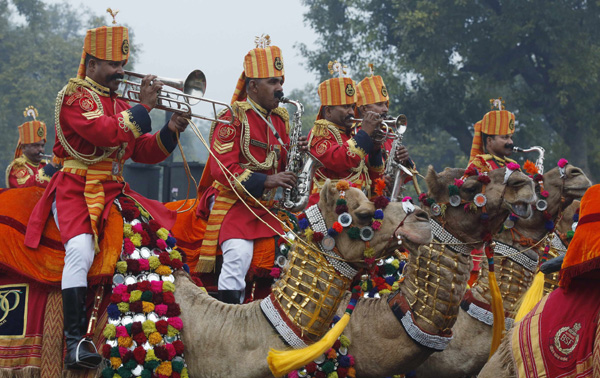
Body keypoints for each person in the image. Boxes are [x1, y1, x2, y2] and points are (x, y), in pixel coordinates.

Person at [24, 23, 189, 370]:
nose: (120, 71)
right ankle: (73, 342)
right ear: (93, 62)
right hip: (76, 188)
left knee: (158, 236)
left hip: (115, 189)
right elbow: (103, 133)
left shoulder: (120, 101)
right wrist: (144, 107)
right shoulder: (75, 95)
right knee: (81, 250)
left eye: (122, 64)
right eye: (113, 65)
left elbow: (139, 151)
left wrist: (170, 130)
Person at [196, 36, 305, 304]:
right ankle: (227, 317)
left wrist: (298, 155)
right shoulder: (232, 117)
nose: (280, 88)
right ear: (253, 86)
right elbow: (222, 169)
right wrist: (268, 181)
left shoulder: (281, 119)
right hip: (232, 202)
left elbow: (282, 166)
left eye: (281, 81)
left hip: (266, 207)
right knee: (238, 255)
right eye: (273, 82)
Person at [306, 61, 384, 207]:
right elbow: (338, 161)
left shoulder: (351, 134)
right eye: (345, 107)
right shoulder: (321, 131)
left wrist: (375, 150)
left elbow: (373, 177)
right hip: (329, 208)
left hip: (358, 207)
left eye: (352, 106)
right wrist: (365, 132)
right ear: (328, 111)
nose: (350, 112)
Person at [354, 66, 414, 196]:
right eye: (380, 104)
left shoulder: (389, 133)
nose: (386, 109)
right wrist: (378, 182)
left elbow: (409, 176)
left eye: (386, 104)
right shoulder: (355, 134)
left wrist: (404, 160)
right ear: (364, 109)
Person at [5, 107, 59, 188]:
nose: (41, 149)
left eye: (42, 145)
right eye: (36, 145)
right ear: (23, 147)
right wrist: (51, 167)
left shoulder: (44, 165)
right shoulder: (17, 167)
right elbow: (27, 187)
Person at [467, 98, 518, 172]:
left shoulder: (513, 165)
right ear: (489, 140)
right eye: (505, 137)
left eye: (511, 137)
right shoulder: (480, 165)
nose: (511, 142)